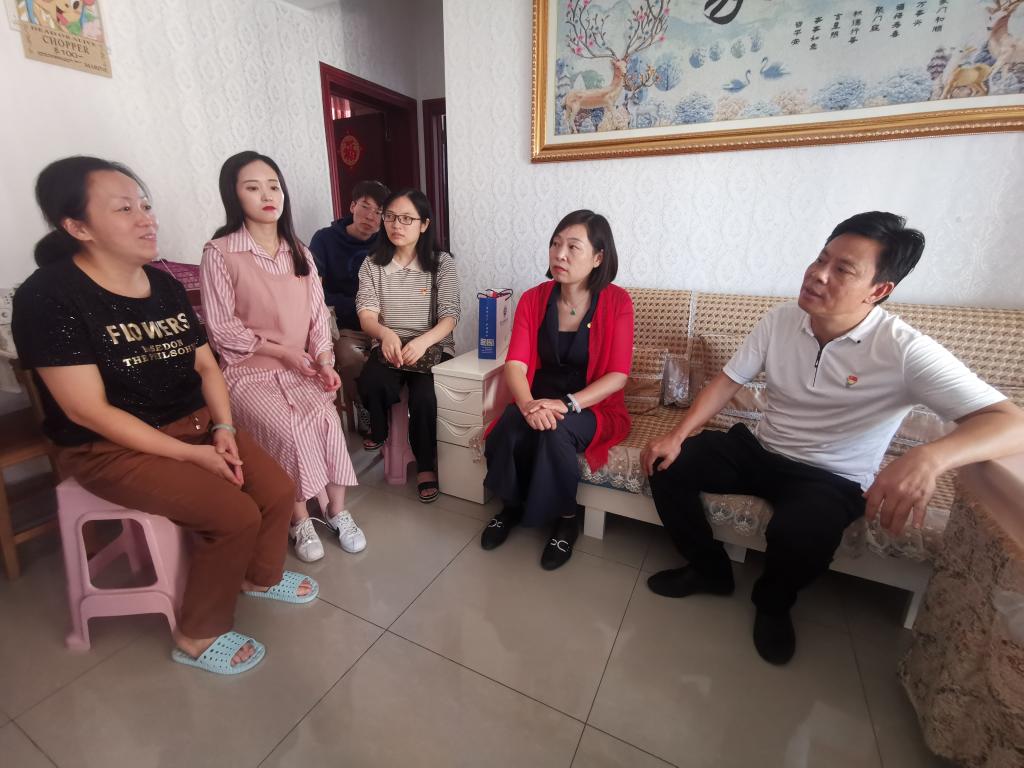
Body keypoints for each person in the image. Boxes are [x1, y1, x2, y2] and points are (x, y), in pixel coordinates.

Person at [641, 211, 1024, 665]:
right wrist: (678, 435)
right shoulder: (781, 320)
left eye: (843, 269)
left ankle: (773, 604)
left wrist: (930, 457)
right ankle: (709, 570)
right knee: (666, 463)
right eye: (822, 258)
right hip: (760, 449)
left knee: (802, 533)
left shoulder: (903, 349)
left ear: (878, 290)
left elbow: (1010, 422)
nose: (818, 274)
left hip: (831, 477)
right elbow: (728, 381)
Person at [12, 156, 318, 676]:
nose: (146, 219)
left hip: (195, 424)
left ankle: (259, 577)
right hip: (109, 447)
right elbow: (87, 410)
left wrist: (223, 427)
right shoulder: (49, 297)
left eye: (145, 205)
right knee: (233, 514)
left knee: (276, 488)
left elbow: (206, 365)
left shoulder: (164, 285)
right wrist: (191, 456)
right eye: (124, 209)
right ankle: (197, 635)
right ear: (78, 227)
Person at [200, 151, 364, 563]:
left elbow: (317, 317)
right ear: (234, 195)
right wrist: (281, 352)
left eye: (273, 186)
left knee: (327, 421)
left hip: (300, 368)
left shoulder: (300, 252)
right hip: (248, 372)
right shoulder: (220, 253)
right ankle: (298, 518)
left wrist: (324, 362)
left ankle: (336, 511)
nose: (267, 195)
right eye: (252, 187)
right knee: (289, 429)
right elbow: (221, 329)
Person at [480, 210, 633, 570]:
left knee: (555, 433)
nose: (560, 254)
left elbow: (617, 376)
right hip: (538, 398)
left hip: (591, 405)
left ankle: (566, 520)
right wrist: (528, 405)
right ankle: (510, 507)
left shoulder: (617, 302)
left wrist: (567, 404)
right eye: (555, 244)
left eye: (573, 247)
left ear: (598, 258)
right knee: (508, 426)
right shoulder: (534, 299)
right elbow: (516, 365)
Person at [355, 189, 460, 503]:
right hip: (389, 341)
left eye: (406, 219)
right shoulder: (372, 264)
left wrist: (423, 341)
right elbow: (367, 315)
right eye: (390, 217)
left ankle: (426, 466)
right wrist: (385, 334)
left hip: (431, 345)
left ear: (424, 224)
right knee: (371, 381)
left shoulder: (441, 263)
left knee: (425, 398)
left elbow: (450, 316)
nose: (396, 225)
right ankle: (380, 430)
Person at [309, 180, 390, 414]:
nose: (371, 216)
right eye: (365, 206)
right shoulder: (325, 239)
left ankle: (390, 413)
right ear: (353, 206)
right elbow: (315, 291)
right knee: (350, 357)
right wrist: (358, 306)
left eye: (379, 212)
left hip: (383, 324)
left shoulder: (388, 242)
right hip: (344, 326)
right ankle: (364, 407)